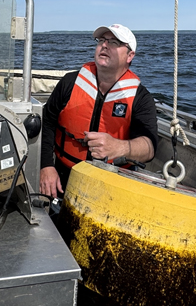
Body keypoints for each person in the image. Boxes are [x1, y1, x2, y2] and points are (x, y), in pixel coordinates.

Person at [40, 24, 158, 198]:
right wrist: (46, 166)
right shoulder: (70, 83)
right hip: (63, 174)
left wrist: (119, 147)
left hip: (113, 182)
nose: (104, 45)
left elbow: (149, 147)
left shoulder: (140, 97)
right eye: (101, 40)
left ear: (130, 55)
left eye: (114, 42)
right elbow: (47, 122)